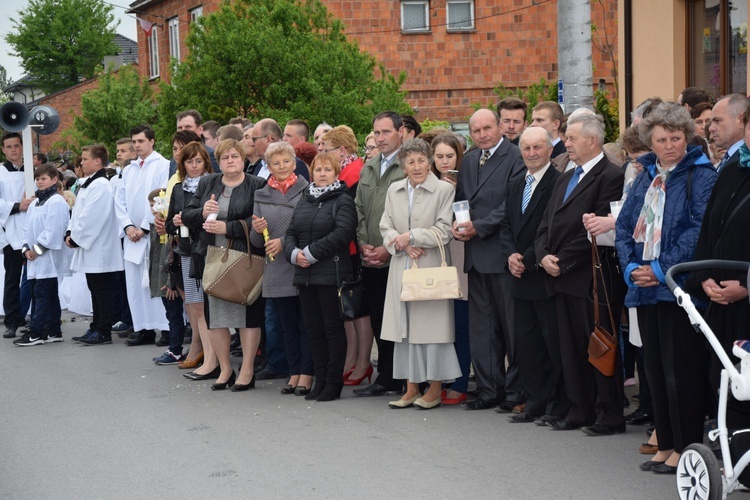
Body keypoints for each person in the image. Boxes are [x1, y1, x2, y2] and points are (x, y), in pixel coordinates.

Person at [616, 102, 717, 472]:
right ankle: (668, 443)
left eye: (676, 138)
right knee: (655, 371)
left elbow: (698, 230)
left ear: (687, 137)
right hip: (644, 288)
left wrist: (660, 269)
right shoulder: (645, 176)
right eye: (662, 139)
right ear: (651, 141)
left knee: (682, 373)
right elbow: (625, 224)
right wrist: (631, 268)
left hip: (680, 288)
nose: (670, 145)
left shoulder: (702, 175)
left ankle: (687, 448)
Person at [535, 112, 625, 435]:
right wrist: (542, 255)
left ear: (592, 140)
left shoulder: (609, 175)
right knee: (570, 348)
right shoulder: (565, 175)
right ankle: (579, 409)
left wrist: (561, 260)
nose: (566, 143)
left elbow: (596, 226)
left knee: (598, 345)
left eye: (571, 139)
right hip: (559, 275)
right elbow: (546, 222)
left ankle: (610, 414)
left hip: (590, 276)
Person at [378, 138, 461, 409]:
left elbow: (444, 230)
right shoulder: (394, 190)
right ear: (403, 166)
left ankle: (435, 388)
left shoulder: (443, 191)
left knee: (433, 329)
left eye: (422, 160)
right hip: (401, 264)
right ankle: (411, 386)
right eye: (410, 162)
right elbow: (385, 226)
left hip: (430, 265)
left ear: (430, 162)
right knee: (406, 329)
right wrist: (400, 242)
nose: (417, 166)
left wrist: (412, 237)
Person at [453, 108, 525, 411]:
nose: (482, 134)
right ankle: (487, 390)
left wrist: (478, 227)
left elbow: (513, 203)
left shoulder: (516, 156)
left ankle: (516, 392)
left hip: (501, 253)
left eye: (487, 128)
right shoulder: (469, 159)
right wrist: (458, 224)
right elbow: (462, 199)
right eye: (476, 130)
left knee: (511, 328)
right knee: (482, 329)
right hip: (475, 256)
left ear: (499, 127)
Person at [182, 139, 266, 391]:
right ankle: (226, 369)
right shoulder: (209, 182)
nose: (230, 160)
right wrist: (201, 211)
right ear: (219, 160)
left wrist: (228, 228)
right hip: (212, 258)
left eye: (235, 156)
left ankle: (247, 370)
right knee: (215, 316)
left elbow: (260, 220)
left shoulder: (256, 184)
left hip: (244, 258)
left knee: (247, 316)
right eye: (225, 157)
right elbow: (186, 215)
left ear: (243, 159)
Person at [499, 127, 567, 423]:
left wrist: (525, 258)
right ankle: (534, 401)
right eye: (526, 148)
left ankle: (556, 403)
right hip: (519, 277)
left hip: (544, 276)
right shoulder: (516, 183)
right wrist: (510, 255)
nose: (531, 153)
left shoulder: (559, 182)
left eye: (537, 147)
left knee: (550, 342)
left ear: (550, 149)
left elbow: (550, 228)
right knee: (525, 344)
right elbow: (506, 226)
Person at [690, 102, 750, 429]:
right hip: (720, 300)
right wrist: (704, 277)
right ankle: (733, 451)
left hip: (745, 300)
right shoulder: (732, 169)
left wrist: (746, 285)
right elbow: (709, 230)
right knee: (723, 376)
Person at [284, 152, 357, 401]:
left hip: (331, 274)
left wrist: (312, 253)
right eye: (318, 170)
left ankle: (333, 382)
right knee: (313, 330)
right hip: (305, 274)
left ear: (336, 172)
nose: (322, 174)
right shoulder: (305, 199)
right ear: (311, 173)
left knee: (332, 329)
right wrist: (294, 253)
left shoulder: (343, 200)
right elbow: (291, 230)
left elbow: (343, 232)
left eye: (328, 169)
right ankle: (320, 378)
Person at [250, 141, 312, 395]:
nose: (282, 166)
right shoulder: (261, 193)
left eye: (286, 161)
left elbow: (311, 228)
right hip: (275, 269)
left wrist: (284, 242)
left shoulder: (306, 189)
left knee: (305, 324)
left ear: (294, 161)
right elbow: (256, 242)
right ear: (269, 166)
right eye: (276, 163)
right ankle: (294, 372)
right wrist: (256, 231)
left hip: (300, 264)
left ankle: (307, 374)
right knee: (286, 325)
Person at [353, 111, 406, 397]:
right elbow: (358, 208)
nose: (380, 138)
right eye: (377, 132)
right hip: (370, 257)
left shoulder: (408, 166)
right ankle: (386, 376)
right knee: (378, 318)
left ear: (401, 133)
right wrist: (364, 244)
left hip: (397, 257)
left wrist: (387, 249)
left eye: (386, 132)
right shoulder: (369, 166)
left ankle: (399, 376)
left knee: (398, 321)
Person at [321, 126, 372, 385]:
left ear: (342, 150)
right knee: (348, 311)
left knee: (358, 308)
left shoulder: (355, 173)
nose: (322, 152)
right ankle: (352, 359)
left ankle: (362, 361)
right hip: (343, 251)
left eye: (326, 148)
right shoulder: (344, 172)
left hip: (353, 250)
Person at [114, 125, 170, 346]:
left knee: (155, 282)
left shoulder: (162, 165)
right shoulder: (129, 169)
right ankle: (143, 328)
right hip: (132, 235)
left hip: (152, 232)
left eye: (141, 141)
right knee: (135, 284)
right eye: (134, 142)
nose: (137, 145)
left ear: (152, 141)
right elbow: (120, 200)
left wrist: (145, 227)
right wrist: (128, 226)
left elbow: (161, 197)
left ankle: (165, 328)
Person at [65, 144, 124, 345]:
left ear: (97, 161)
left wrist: (75, 237)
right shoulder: (90, 183)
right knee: (95, 288)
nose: (81, 163)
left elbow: (92, 216)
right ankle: (95, 326)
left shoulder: (101, 185)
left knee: (102, 289)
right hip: (90, 245)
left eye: (85, 159)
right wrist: (70, 231)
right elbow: (79, 212)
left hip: (99, 247)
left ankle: (103, 330)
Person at [165, 142, 214, 370]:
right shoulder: (178, 188)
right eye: (189, 161)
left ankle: (212, 357)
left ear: (206, 162)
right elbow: (168, 225)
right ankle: (203, 351)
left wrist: (189, 218)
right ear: (182, 164)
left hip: (210, 251)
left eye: (198, 160)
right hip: (187, 251)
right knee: (195, 306)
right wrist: (175, 222)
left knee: (209, 307)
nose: (194, 166)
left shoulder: (214, 184)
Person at [429, 133, 470, 405]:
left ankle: (461, 381)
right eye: (440, 157)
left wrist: (454, 190)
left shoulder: (467, 182)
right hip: (433, 258)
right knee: (439, 324)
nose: (445, 162)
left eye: (450, 156)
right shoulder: (426, 183)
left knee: (461, 322)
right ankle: (440, 377)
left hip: (459, 254)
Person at [15, 164, 69, 346]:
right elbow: (26, 228)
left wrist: (36, 251)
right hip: (34, 258)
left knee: (41, 294)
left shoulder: (56, 202)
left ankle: (36, 332)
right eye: (37, 179)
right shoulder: (35, 203)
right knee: (49, 293)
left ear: (54, 180)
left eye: (43, 178)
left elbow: (54, 231)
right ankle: (54, 330)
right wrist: (25, 249)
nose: (39, 182)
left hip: (48, 258)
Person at [0, 132, 31, 339]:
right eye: (8, 146)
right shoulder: (0, 172)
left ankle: (36, 317)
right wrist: (18, 206)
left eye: (16, 146)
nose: (13, 150)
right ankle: (11, 321)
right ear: (3, 150)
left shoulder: (33, 170)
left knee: (36, 278)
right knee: (12, 279)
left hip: (32, 233)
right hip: (10, 232)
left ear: (22, 147)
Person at [708, 93, 748, 172]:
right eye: (711, 122)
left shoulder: (745, 162)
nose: (711, 128)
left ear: (741, 120)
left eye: (717, 121)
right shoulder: (729, 158)